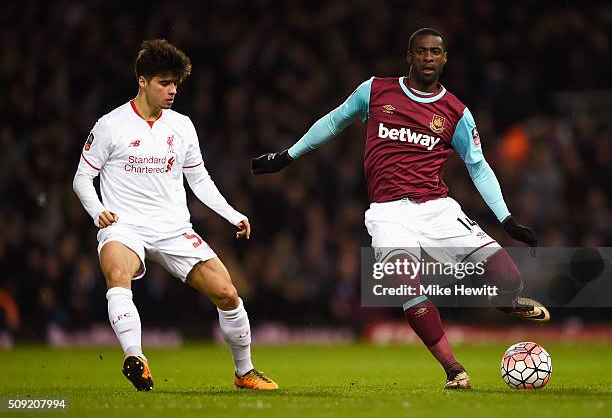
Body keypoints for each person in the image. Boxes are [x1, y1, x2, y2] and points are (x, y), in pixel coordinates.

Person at [251, 28, 550, 389]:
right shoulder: (375, 91)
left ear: (444, 59)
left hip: (438, 209)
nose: (428, 58)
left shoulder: (456, 112)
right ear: (409, 56)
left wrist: (506, 218)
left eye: (435, 52)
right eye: (421, 52)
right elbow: (333, 121)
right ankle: (455, 370)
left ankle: (503, 300)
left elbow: (478, 165)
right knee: (406, 284)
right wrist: (287, 156)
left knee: (509, 280)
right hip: (388, 213)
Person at [73, 39, 278, 391]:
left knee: (228, 293)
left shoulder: (181, 125)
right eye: (164, 83)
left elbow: (199, 179)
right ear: (142, 81)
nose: (172, 91)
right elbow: (82, 177)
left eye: (175, 84)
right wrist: (98, 212)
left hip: (172, 228)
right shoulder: (111, 125)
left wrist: (231, 214)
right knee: (118, 273)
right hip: (125, 226)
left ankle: (244, 372)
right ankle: (135, 357)